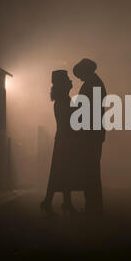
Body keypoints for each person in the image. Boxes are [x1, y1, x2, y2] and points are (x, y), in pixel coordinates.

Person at [40, 70, 79, 214]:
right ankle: (55, 201)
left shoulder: (62, 100)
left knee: (60, 171)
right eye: (67, 79)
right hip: (65, 140)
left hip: (62, 139)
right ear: (63, 84)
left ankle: (54, 201)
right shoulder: (64, 101)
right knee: (62, 170)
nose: (70, 81)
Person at [73, 59, 106, 216]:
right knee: (93, 169)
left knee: (89, 170)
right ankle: (94, 205)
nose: (79, 78)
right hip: (95, 133)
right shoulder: (97, 83)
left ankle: (92, 206)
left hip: (89, 134)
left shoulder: (90, 85)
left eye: (79, 75)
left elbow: (84, 109)